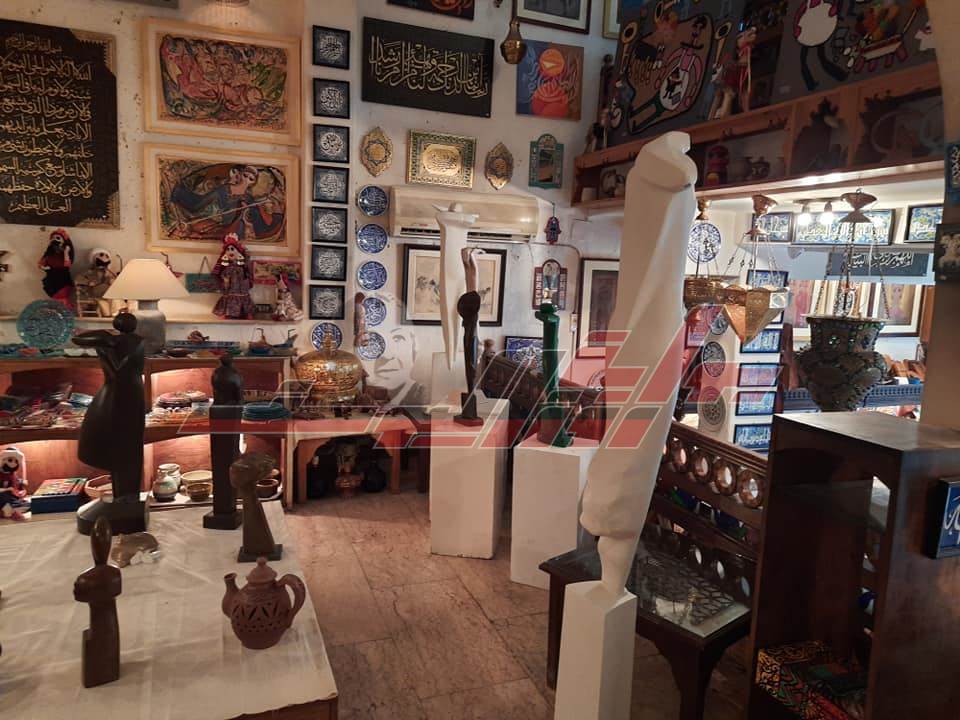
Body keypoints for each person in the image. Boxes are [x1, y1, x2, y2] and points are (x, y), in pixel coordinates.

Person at [73, 311, 146, 502]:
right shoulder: (133, 340)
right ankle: (126, 496)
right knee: (126, 444)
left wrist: (104, 337)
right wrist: (106, 339)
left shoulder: (113, 342)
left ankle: (126, 496)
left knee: (123, 443)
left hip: (118, 392)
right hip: (130, 390)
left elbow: (78, 339)